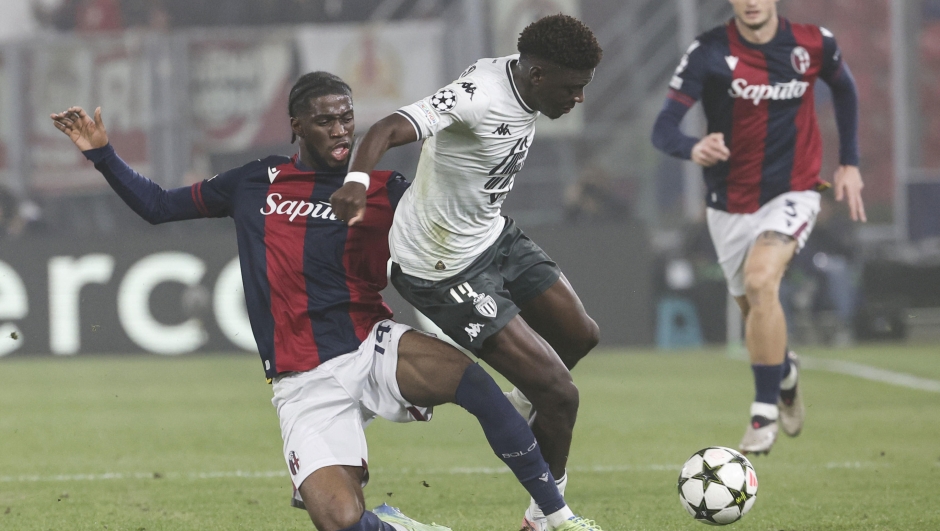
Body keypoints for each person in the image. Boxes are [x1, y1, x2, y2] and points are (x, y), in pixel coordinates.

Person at [51, 72, 599, 531]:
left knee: (473, 383)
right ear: (297, 125)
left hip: (370, 343)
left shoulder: (391, 189)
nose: (340, 130)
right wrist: (103, 155)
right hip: (301, 379)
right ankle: (396, 525)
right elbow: (159, 206)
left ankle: (554, 516)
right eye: (324, 120)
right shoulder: (255, 181)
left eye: (346, 118)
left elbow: (447, 239)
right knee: (338, 519)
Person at [329, 14, 604, 531]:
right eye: (573, 88)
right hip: (440, 264)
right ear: (538, 75)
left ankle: (520, 401)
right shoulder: (477, 94)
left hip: (491, 236)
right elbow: (388, 128)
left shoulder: (525, 79)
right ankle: (547, 516)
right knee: (560, 394)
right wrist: (358, 181)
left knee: (581, 335)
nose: (579, 99)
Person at [651, 0, 866, 455]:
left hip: (794, 189)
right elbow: (663, 129)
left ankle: (762, 414)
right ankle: (784, 374)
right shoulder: (708, 51)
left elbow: (845, 90)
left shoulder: (814, 43)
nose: (751, 2)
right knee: (756, 313)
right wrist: (693, 147)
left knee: (761, 278)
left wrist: (849, 163)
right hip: (729, 204)